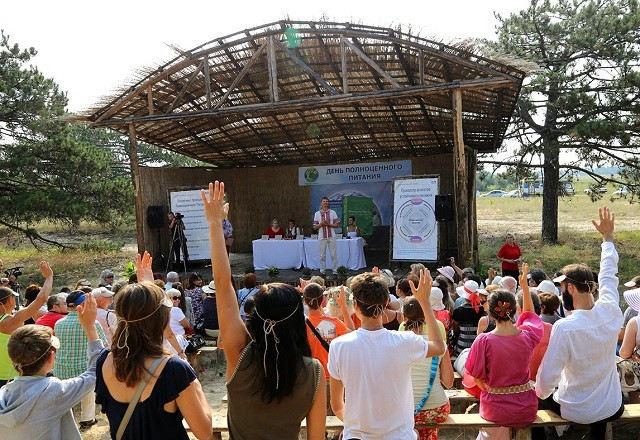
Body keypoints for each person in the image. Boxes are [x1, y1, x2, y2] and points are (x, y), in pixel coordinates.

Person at [201, 181, 326, 440]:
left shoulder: (240, 353)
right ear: (296, 321)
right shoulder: (313, 371)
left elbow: (223, 286)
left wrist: (215, 224)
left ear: (256, 315)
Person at [95, 253, 213, 440]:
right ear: (162, 318)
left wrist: (147, 290)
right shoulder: (174, 370)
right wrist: (195, 383)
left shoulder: (105, 360)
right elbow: (204, 432)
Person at [535, 207, 624, 440]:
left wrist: (541, 391)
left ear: (570, 288)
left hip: (577, 409)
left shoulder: (564, 328)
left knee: (538, 395)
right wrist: (608, 239)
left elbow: (546, 381)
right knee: (599, 406)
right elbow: (608, 276)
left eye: (561, 287)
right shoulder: (611, 311)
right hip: (611, 406)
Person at [328, 269, 445, 439]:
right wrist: (424, 303)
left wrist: (358, 427)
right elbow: (438, 347)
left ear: (356, 306)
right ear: (387, 302)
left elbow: (337, 405)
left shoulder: (339, 346)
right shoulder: (405, 341)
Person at [0, 292, 103, 440]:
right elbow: (94, 372)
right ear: (50, 357)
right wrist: (90, 328)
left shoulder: (4, 393)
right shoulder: (54, 391)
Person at [465, 263, 543, 440]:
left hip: (496, 409)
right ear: (515, 310)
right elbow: (531, 316)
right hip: (526, 407)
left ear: (491, 314)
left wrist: (495, 390)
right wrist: (524, 287)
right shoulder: (527, 336)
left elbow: (477, 377)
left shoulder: (484, 341)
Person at [54, 290, 109, 430]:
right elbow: (103, 344)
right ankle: (87, 419)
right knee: (88, 394)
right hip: (83, 369)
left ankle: (67, 418)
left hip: (62, 368)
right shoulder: (93, 323)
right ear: (84, 304)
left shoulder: (59, 323)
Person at [401, 296, 454, 440]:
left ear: (403, 317)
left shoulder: (395, 344)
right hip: (437, 408)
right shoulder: (439, 345)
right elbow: (449, 382)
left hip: (404, 409)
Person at [0, 261, 53, 387]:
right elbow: (42, 298)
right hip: (11, 376)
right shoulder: (11, 321)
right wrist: (49, 277)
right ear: (9, 300)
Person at [302, 281, 353, 379]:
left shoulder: (300, 325)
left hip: (311, 377)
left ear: (304, 301)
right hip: (332, 376)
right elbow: (352, 333)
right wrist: (343, 306)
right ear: (322, 301)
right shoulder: (334, 323)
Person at [313, 196, 341, 275]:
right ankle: (322, 272)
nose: (325, 203)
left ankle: (335, 272)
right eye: (323, 201)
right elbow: (315, 227)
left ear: (328, 203)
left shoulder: (333, 212)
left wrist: (329, 224)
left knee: (333, 255)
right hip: (322, 236)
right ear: (321, 203)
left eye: (326, 201)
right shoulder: (317, 214)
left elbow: (337, 225)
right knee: (322, 256)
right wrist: (321, 224)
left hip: (332, 236)